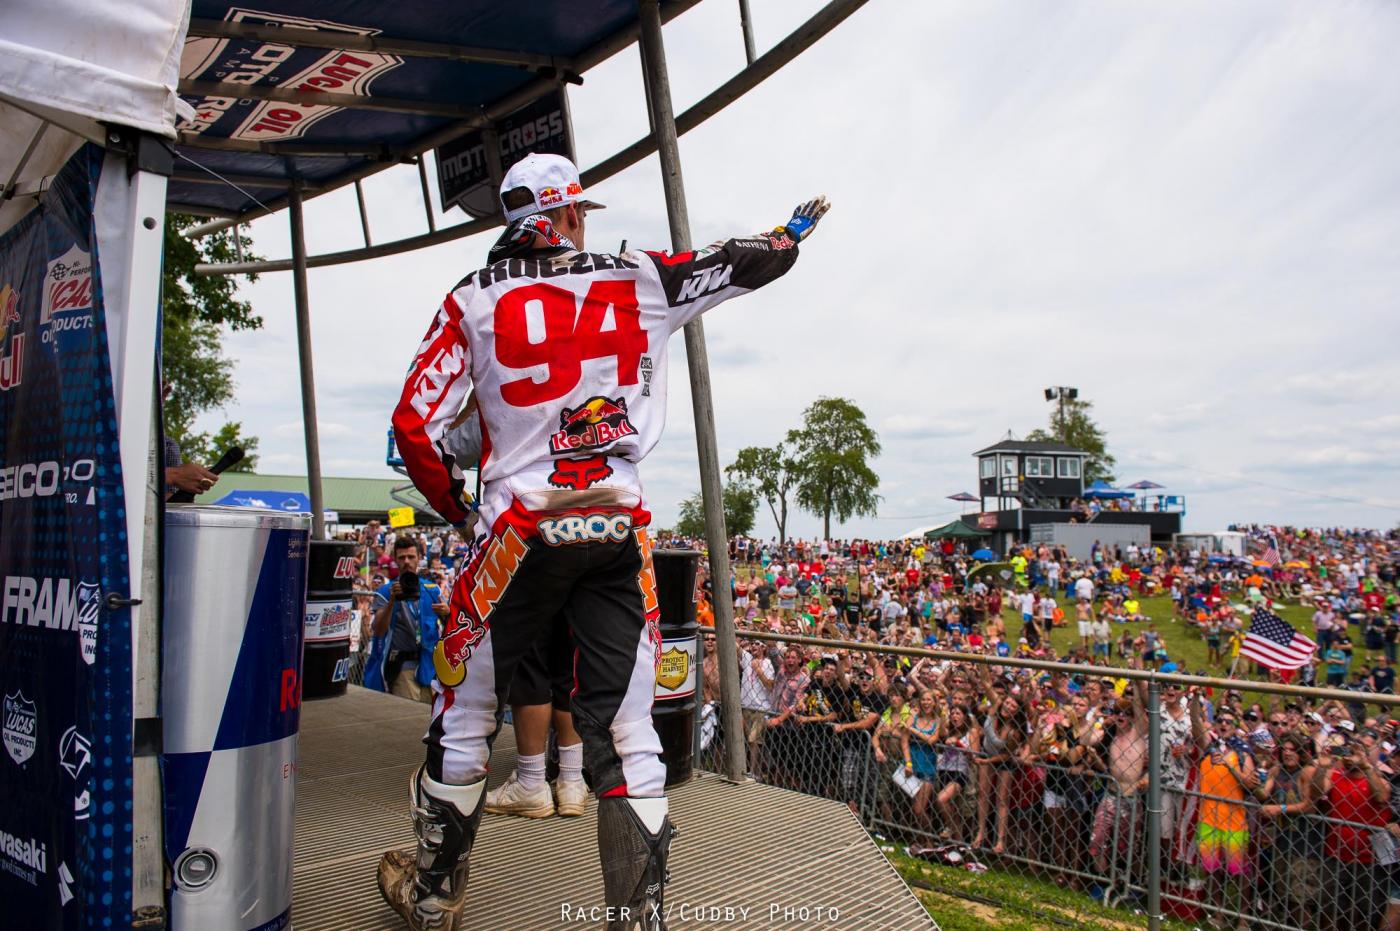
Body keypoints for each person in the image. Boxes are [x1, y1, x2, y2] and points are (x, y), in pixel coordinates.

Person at [376, 151, 829, 931]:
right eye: (580, 209)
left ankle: (434, 893)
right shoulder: (637, 276)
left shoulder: (469, 300)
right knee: (629, 731)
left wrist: (456, 508)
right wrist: (789, 235)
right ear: (567, 214)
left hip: (515, 527)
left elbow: (413, 425)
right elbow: (737, 263)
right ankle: (638, 918)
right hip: (617, 522)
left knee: (464, 712)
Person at [364, 535, 446, 702]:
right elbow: (378, 630)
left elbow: (448, 625)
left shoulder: (432, 590)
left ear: (420, 558)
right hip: (402, 666)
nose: (407, 561)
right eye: (402, 557)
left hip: (430, 666)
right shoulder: (386, 591)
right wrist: (392, 600)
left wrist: (447, 614)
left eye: (411, 557)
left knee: (430, 718)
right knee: (409, 716)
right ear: (395, 560)